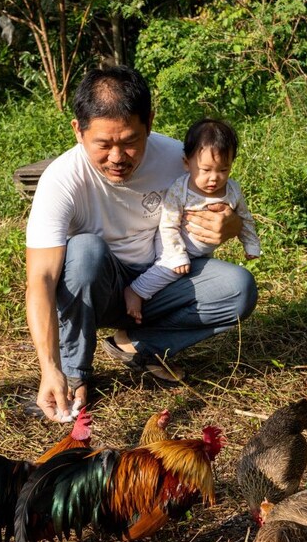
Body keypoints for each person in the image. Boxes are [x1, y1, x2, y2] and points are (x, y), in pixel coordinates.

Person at [24, 65, 258, 422]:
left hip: (161, 281)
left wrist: (230, 224)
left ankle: (136, 344)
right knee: (86, 250)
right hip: (96, 290)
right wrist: (49, 367)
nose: (117, 157)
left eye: (130, 141)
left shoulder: (182, 159)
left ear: (149, 122)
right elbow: (40, 279)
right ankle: (74, 373)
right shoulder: (61, 179)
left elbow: (228, 206)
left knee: (238, 288)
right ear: (78, 130)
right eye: (103, 144)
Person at [124, 118, 261, 323]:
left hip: (202, 251)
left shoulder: (233, 191)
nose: (214, 178)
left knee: (193, 276)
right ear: (187, 163)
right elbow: (168, 223)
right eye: (205, 170)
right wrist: (177, 254)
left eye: (223, 169)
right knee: (170, 270)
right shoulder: (182, 189)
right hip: (173, 243)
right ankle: (135, 291)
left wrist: (251, 243)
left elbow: (245, 218)